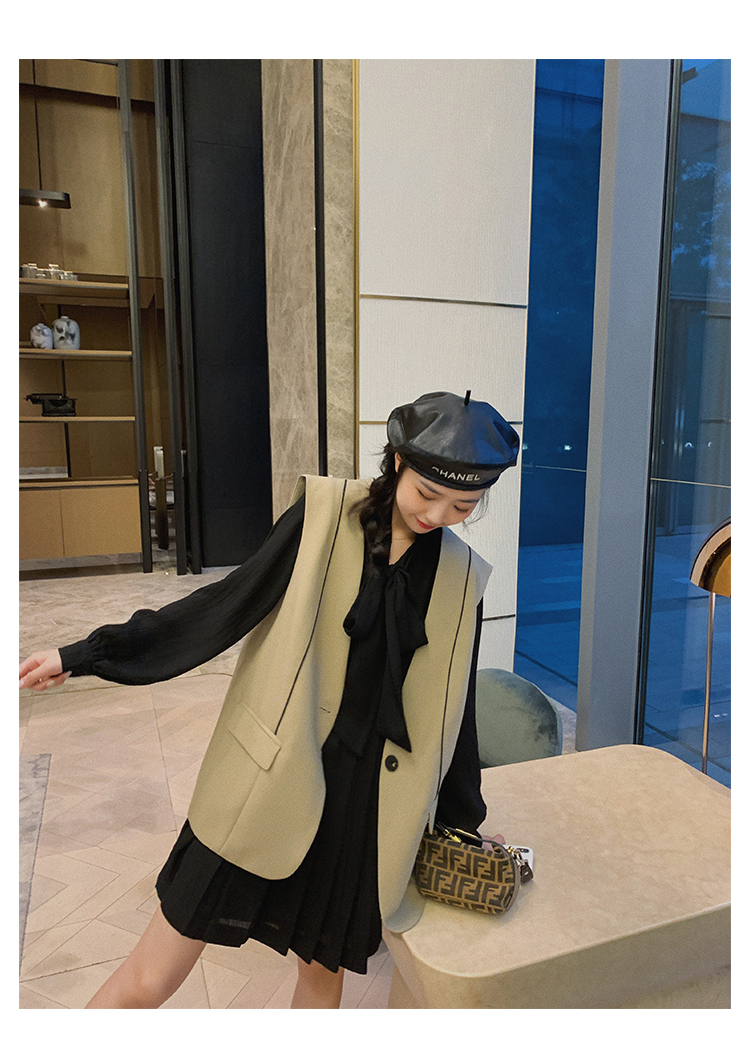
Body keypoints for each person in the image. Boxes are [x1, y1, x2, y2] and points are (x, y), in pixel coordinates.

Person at [19, 390, 520, 1009]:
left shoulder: (463, 578)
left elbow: (455, 713)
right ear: (397, 462)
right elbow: (226, 604)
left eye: (463, 506)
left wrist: (463, 825)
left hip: (366, 809)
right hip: (269, 775)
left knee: (321, 982)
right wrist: (87, 654)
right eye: (427, 494)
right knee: (151, 975)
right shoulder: (322, 517)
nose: (439, 515)